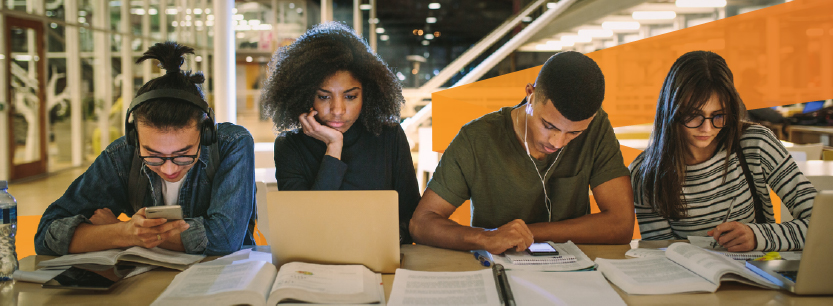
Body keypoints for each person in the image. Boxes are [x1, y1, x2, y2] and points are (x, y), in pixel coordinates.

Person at [35, 42, 256, 256]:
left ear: (206, 132)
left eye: (183, 155)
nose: (169, 170)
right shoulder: (121, 155)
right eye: (153, 156)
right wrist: (124, 232)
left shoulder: (231, 144)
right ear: (134, 137)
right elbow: (47, 234)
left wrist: (120, 230)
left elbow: (225, 238)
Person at [409, 51, 635, 254]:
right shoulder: (477, 138)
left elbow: (621, 224)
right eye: (549, 125)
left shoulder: (596, 128)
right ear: (530, 94)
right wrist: (485, 237)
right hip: (497, 273)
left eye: (574, 133)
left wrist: (528, 233)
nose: (557, 142)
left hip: (573, 275)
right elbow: (421, 223)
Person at [629, 51, 814, 252]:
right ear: (671, 111)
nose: (707, 128)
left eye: (718, 116)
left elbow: (823, 223)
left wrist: (758, 236)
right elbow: (662, 253)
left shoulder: (756, 144)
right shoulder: (646, 173)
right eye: (693, 116)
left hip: (759, 278)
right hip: (691, 280)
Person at [262, 22, 420, 244]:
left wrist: (383, 239)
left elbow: (412, 218)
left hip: (379, 258)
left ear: (368, 94)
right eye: (324, 96)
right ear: (306, 96)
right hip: (316, 263)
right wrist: (333, 147)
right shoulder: (290, 146)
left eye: (350, 96)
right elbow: (305, 227)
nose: (338, 110)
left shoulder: (389, 136)